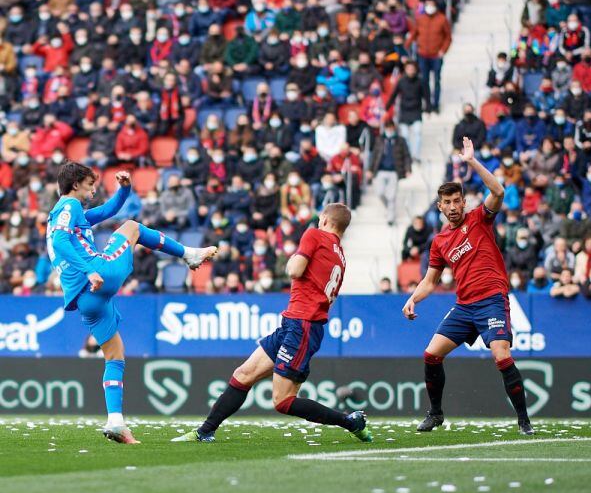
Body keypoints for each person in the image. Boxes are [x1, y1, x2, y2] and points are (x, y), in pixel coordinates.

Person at [172, 203, 372, 443]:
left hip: (302, 325)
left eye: (321, 218)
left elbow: (295, 270)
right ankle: (205, 431)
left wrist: (291, 262)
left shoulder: (314, 234)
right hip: (296, 324)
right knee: (243, 374)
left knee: (283, 401)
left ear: (326, 220)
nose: (318, 221)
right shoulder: (340, 257)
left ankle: (350, 422)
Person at [48, 163, 216, 444]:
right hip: (98, 275)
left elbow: (106, 212)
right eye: (90, 184)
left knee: (115, 356)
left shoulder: (66, 214)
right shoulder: (68, 206)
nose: (93, 189)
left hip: (83, 299)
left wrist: (124, 190)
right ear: (75, 184)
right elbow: (61, 241)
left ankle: (116, 422)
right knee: (132, 227)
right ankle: (188, 254)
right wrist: (89, 270)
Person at [402, 137, 533, 435]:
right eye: (446, 202)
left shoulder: (479, 219)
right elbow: (430, 281)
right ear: (440, 206)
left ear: (464, 202)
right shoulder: (439, 242)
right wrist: (413, 299)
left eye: (456, 201)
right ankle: (435, 413)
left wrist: (472, 162)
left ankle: (524, 420)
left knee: (501, 353)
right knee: (430, 355)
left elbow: (498, 190)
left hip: (491, 300)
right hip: (464, 306)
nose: (452, 207)